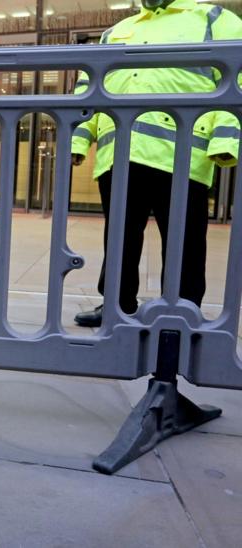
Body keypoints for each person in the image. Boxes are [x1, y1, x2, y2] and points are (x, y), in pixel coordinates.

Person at [71, 0, 242, 327]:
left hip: (182, 153)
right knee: (119, 237)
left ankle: (182, 310)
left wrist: (225, 141)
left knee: (184, 241)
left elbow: (237, 80)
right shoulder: (116, 31)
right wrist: (78, 139)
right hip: (120, 151)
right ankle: (116, 306)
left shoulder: (214, 19)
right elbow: (88, 89)